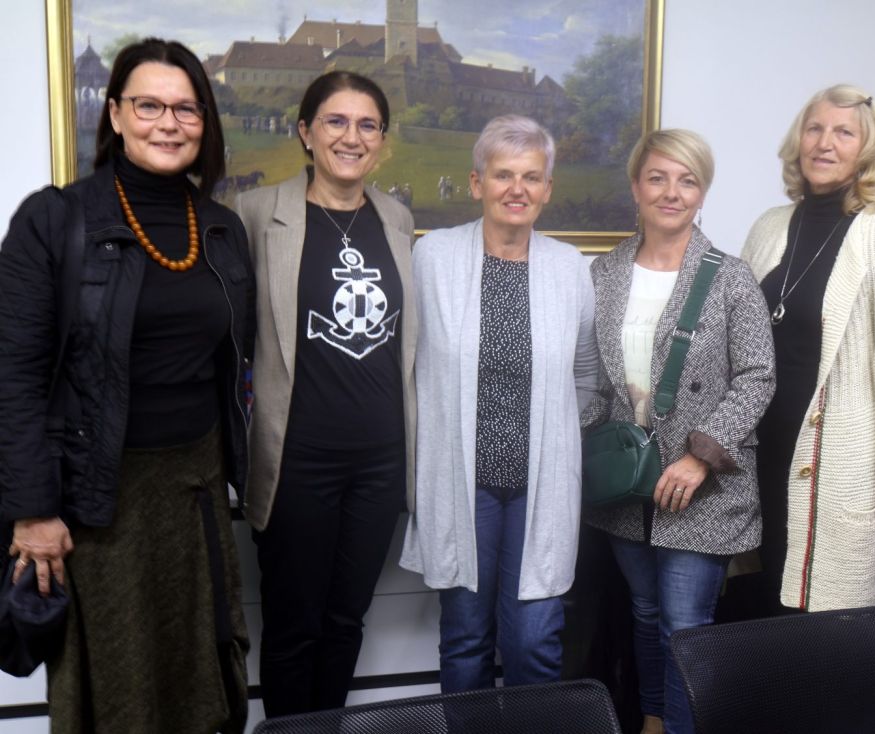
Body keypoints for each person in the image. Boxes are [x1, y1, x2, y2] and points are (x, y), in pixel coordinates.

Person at [0, 38, 253, 733]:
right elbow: (13, 376)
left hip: (196, 492)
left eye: (186, 108)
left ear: (204, 122)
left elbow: (233, 368)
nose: (169, 124)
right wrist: (32, 512)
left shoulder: (223, 230)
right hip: (95, 505)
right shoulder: (54, 220)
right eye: (149, 106)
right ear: (114, 114)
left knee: (198, 682)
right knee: (119, 693)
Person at [234, 71, 415, 717]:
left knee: (345, 621)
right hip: (297, 460)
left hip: (380, 463)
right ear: (305, 131)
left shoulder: (396, 218)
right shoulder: (257, 214)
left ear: (382, 141)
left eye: (368, 125)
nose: (351, 137)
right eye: (336, 121)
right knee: (294, 625)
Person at [582, 129, 775, 734]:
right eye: (658, 178)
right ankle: (653, 721)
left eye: (687, 180)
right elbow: (593, 380)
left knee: (684, 625)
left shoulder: (731, 277)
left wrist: (700, 457)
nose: (672, 192)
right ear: (635, 187)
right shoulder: (604, 272)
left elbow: (758, 377)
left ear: (702, 192)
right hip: (626, 481)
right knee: (643, 612)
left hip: (702, 487)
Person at [400, 114, 598, 692]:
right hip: (463, 482)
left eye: (531, 177)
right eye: (503, 174)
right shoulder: (433, 257)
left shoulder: (568, 268)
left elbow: (586, 374)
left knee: (533, 640)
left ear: (547, 189)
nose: (517, 189)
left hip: (541, 484)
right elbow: (408, 363)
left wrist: (556, 440)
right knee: (466, 636)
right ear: (476, 182)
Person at [739, 85, 875, 616]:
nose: (824, 143)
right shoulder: (768, 227)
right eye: (815, 129)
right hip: (763, 457)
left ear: (867, 151)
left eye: (843, 132)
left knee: (833, 628)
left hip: (839, 469)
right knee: (764, 611)